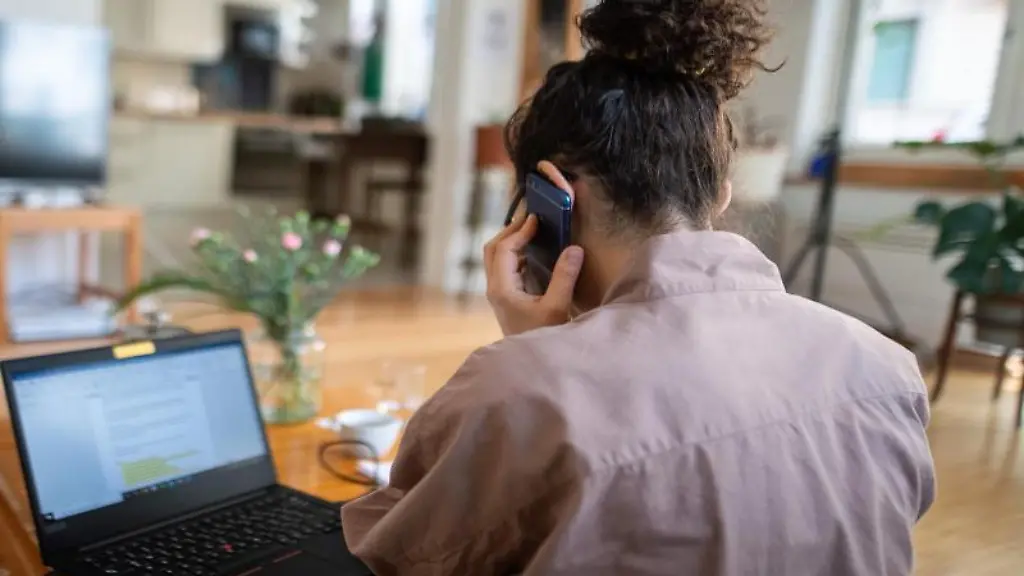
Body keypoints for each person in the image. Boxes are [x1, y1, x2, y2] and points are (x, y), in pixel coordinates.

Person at [341, 0, 936, 574]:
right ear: (720, 194)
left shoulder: (515, 393)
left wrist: (531, 357)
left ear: (553, 196)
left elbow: (395, 552)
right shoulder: (888, 370)